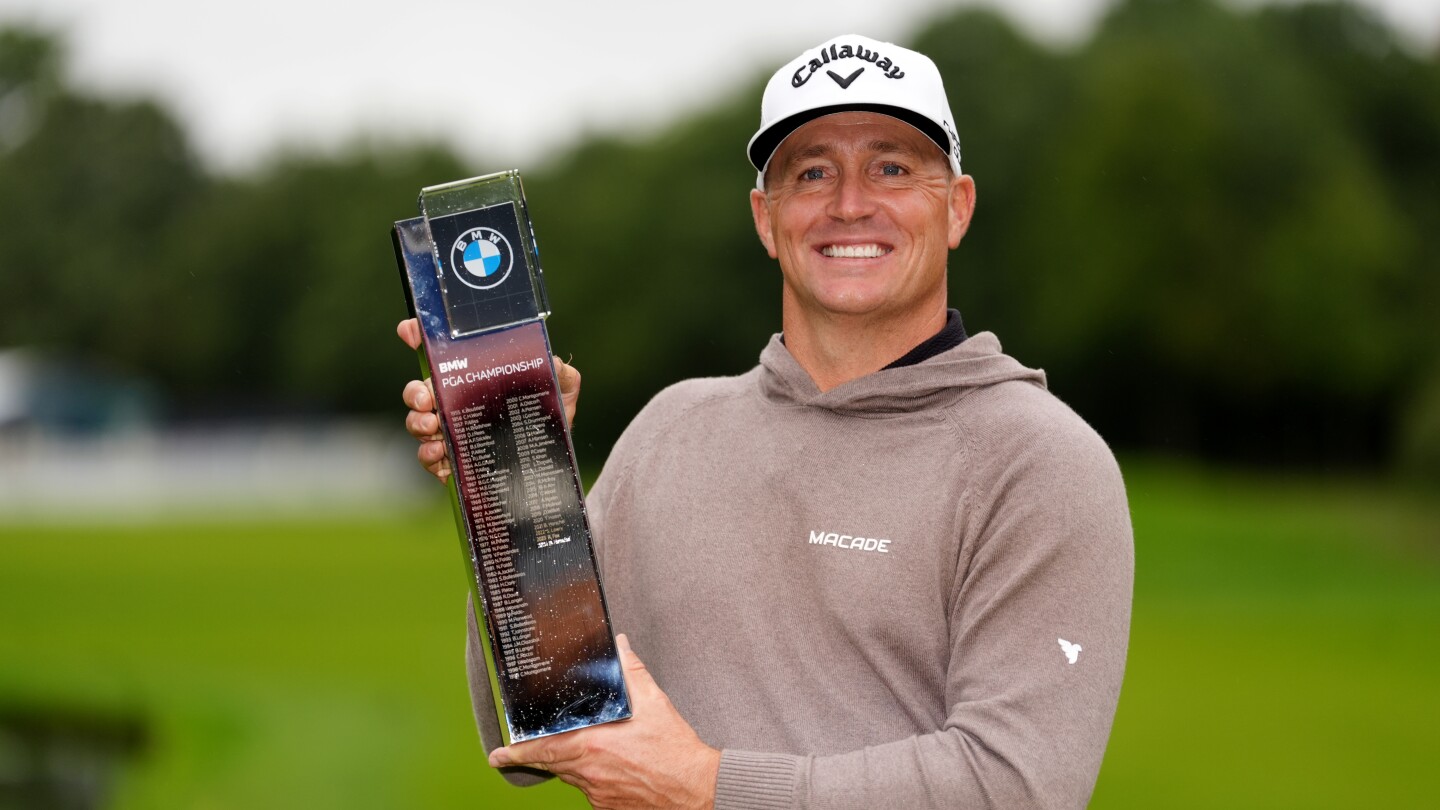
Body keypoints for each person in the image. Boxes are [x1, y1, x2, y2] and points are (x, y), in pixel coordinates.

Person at [398, 34, 1132, 810]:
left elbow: (1016, 786)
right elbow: (549, 714)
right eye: (812, 172)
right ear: (764, 217)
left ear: (957, 207)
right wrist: (515, 474)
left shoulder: (1040, 462)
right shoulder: (670, 430)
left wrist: (706, 788)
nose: (850, 203)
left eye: (891, 167)